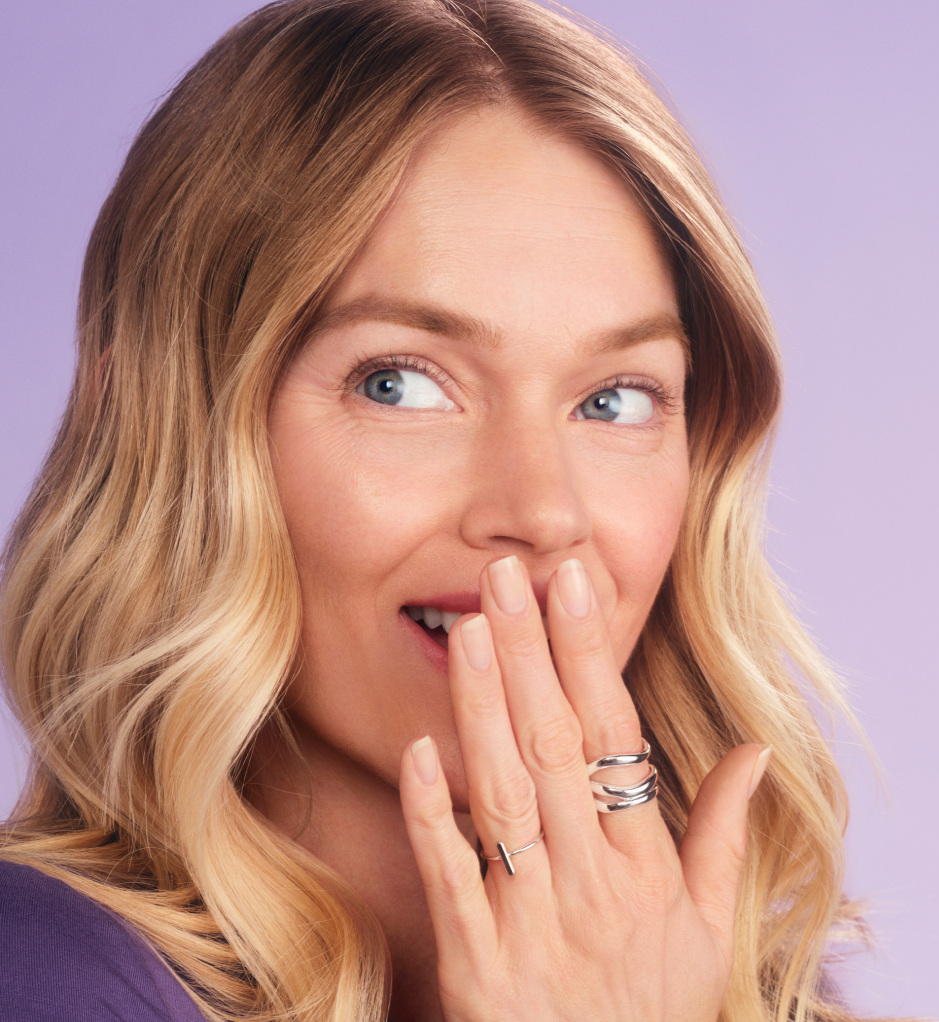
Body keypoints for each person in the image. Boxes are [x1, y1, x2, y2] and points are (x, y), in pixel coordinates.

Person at [0, 1, 869, 1019]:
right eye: (400, 383)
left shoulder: (753, 992)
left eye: (615, 399)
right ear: (158, 428)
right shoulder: (43, 972)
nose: (543, 511)